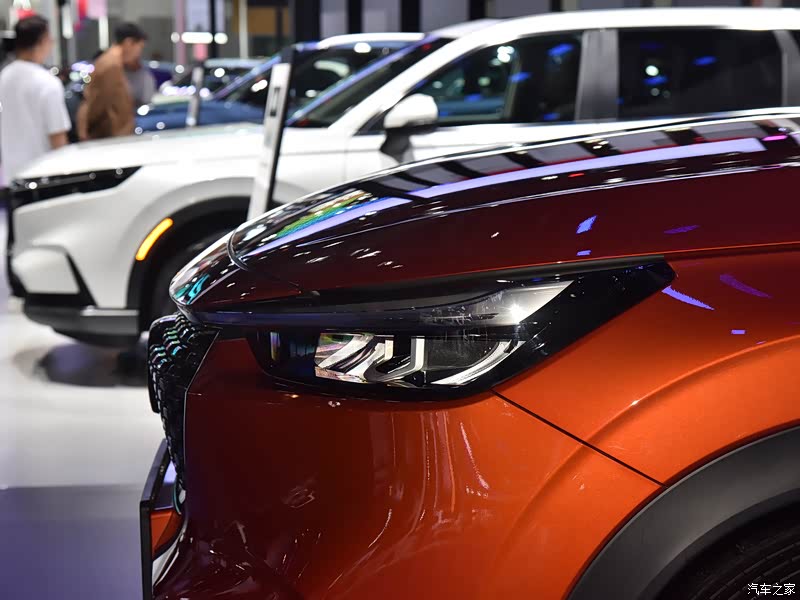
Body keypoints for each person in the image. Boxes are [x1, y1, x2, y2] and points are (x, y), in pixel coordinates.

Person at [0, 15, 70, 182]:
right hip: (44, 178)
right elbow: (58, 138)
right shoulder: (47, 82)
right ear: (42, 41)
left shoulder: (4, 77)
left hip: (11, 177)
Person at [78, 22, 147, 140]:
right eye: (139, 47)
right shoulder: (111, 65)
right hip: (108, 137)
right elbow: (98, 104)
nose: (138, 53)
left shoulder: (113, 62)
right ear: (128, 43)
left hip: (113, 135)